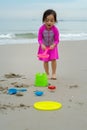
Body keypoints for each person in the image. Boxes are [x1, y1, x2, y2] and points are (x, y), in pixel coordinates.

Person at [37, 9, 60, 80]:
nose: (49, 22)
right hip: (44, 47)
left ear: (55, 21)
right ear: (43, 20)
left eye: (51, 20)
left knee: (53, 60)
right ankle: (47, 74)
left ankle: (54, 73)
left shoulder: (55, 29)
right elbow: (39, 39)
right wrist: (41, 44)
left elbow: (57, 40)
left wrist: (54, 45)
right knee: (45, 61)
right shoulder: (41, 29)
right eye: (47, 20)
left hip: (53, 47)